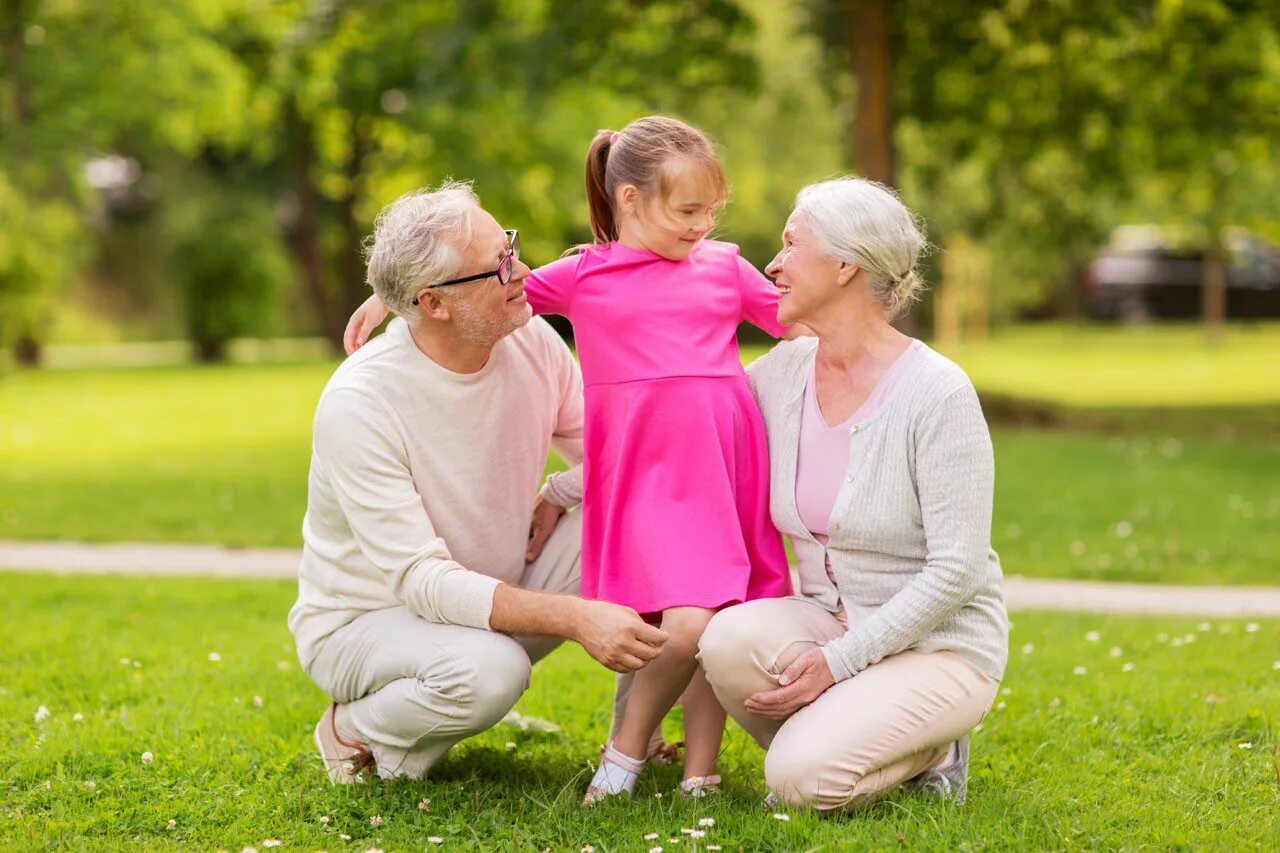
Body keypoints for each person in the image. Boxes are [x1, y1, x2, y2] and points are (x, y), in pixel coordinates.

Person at [342, 116, 795, 801]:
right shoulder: (586, 276)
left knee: (715, 621)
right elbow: (483, 285)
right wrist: (393, 291)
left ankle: (700, 771)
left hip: (723, 471)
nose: (702, 224)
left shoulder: (725, 267)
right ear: (632, 200)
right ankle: (626, 751)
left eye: (711, 210)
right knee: (687, 622)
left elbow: (796, 314)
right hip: (650, 486)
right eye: (687, 209)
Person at [289, 181, 668, 784]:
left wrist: (562, 493)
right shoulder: (361, 402)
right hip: (367, 624)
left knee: (649, 520)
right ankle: (351, 730)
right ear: (433, 303)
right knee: (491, 672)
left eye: (509, 247)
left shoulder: (532, 340)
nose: (521, 272)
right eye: (497, 267)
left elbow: (619, 460)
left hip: (496, 586)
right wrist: (577, 617)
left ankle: (634, 741)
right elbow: (421, 582)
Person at [697, 177, 1009, 812]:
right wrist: (564, 487)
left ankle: (932, 750)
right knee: (724, 640)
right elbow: (681, 433)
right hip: (830, 620)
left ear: (845, 265)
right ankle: (851, 737)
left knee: (799, 782)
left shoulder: (937, 393)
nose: (772, 265)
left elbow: (959, 568)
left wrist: (839, 662)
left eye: (791, 245)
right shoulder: (780, 376)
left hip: (939, 645)